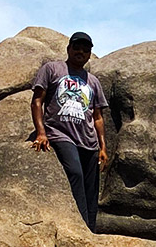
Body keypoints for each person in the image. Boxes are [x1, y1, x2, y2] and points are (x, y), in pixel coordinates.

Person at [31, 32, 110, 231]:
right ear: (68, 49)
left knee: (91, 190)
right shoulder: (52, 69)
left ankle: (90, 230)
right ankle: (81, 226)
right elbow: (37, 101)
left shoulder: (93, 81)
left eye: (86, 49)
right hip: (60, 133)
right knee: (75, 173)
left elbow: (98, 117)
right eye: (77, 48)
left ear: (90, 54)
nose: (81, 52)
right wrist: (41, 132)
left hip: (88, 140)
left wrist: (103, 147)